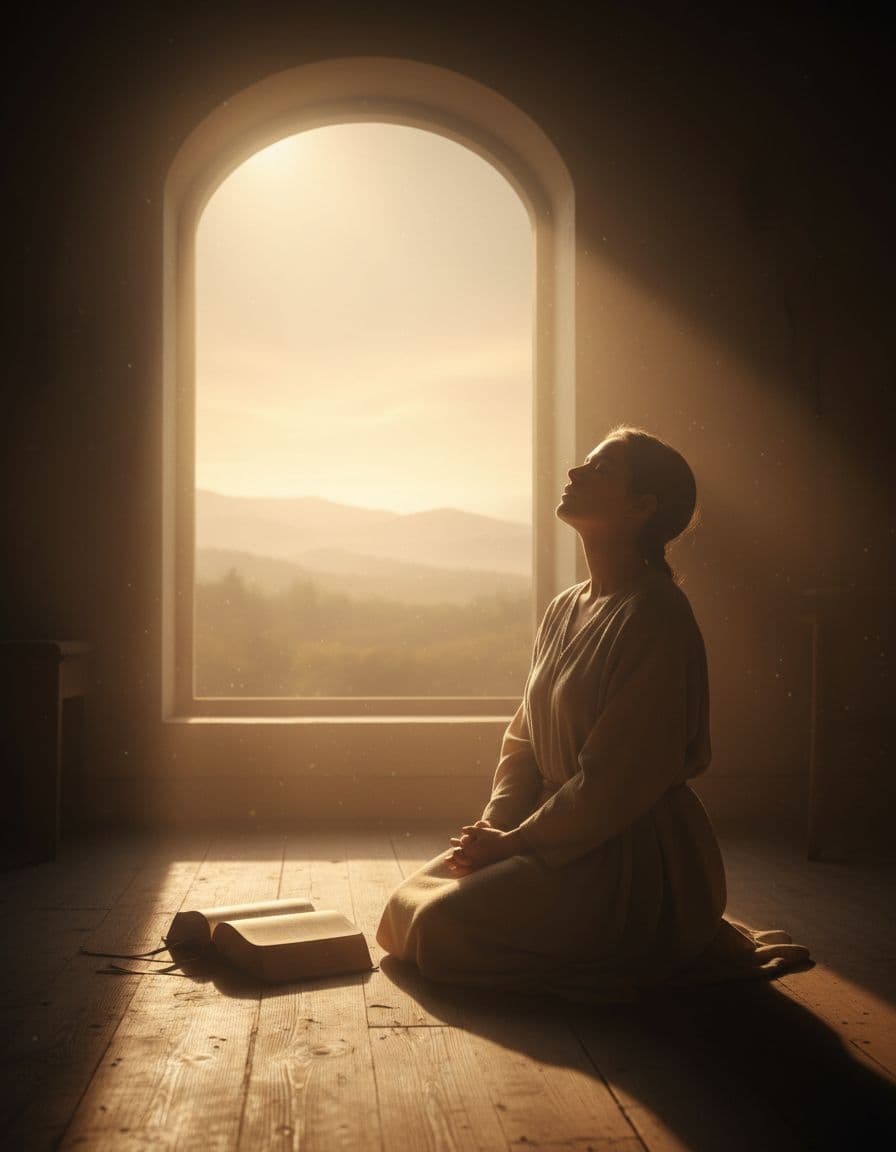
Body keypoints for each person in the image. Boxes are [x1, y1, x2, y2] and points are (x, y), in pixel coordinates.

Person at [376, 426, 810, 1001]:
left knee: (436, 929)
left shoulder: (656, 613)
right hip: (550, 833)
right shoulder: (565, 608)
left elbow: (616, 783)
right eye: (583, 464)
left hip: (625, 857)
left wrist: (516, 845)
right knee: (401, 912)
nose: (575, 472)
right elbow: (523, 742)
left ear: (641, 507)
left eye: (599, 470)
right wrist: (496, 828)